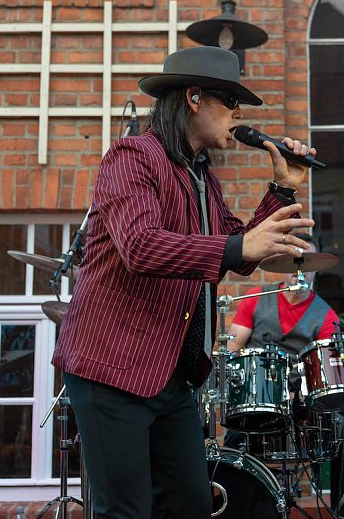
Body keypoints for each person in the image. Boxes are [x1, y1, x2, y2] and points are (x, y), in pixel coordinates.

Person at [52, 46, 317, 519]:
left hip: (169, 372)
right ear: (194, 98)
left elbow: (236, 247)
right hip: (111, 366)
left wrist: (282, 189)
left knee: (191, 503)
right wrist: (239, 248)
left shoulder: (201, 177)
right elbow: (140, 245)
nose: (239, 113)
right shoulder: (132, 157)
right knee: (125, 510)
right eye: (229, 100)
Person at [225, 232, 344, 519]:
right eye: (295, 260)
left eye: (306, 261)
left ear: (315, 267)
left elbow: (326, 372)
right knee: (234, 438)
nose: (300, 268)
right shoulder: (255, 300)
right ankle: (235, 512)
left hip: (302, 408)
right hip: (260, 400)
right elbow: (231, 350)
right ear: (285, 264)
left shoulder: (326, 315)